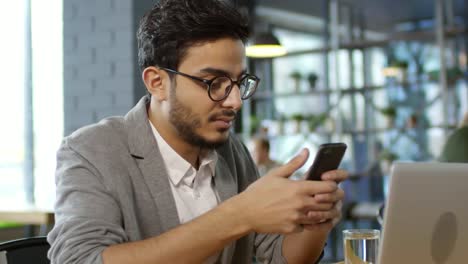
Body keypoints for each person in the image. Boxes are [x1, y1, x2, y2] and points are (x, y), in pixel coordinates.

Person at [47, 1, 347, 263]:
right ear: (157, 82)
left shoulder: (231, 151)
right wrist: (239, 214)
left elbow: (279, 256)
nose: (233, 102)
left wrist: (315, 224)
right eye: (213, 82)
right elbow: (83, 260)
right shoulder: (91, 152)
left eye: (238, 83)